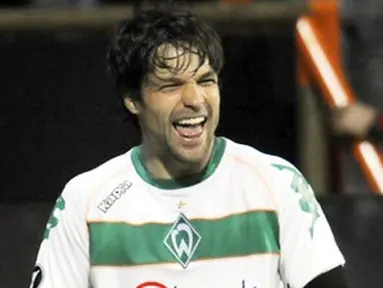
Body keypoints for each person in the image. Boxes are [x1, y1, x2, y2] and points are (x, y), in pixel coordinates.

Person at [29, 2, 347, 288]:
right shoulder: (85, 201)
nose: (195, 100)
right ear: (132, 99)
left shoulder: (276, 183)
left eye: (206, 81)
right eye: (171, 85)